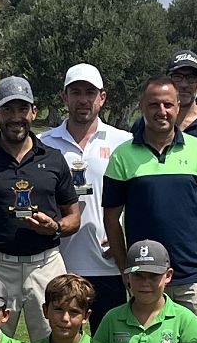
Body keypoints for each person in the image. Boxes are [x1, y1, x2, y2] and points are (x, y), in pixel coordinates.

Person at [0, 76, 80, 342]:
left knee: (57, 341)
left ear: (33, 112)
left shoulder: (54, 159)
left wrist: (56, 227)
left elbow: (74, 217)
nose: (16, 117)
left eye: (22, 109)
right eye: (8, 109)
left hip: (45, 264)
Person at [104, 77, 197, 329]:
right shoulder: (122, 156)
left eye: (168, 105)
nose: (162, 112)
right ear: (142, 107)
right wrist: (125, 268)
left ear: (178, 106)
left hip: (194, 276)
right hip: (145, 277)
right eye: (154, 105)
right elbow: (111, 219)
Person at [38, 63, 132, 328]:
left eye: (90, 92)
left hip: (108, 263)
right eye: (75, 91)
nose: (83, 99)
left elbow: (133, 199)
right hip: (58, 262)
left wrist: (121, 239)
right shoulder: (43, 143)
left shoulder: (122, 142)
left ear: (102, 98)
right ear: (64, 97)